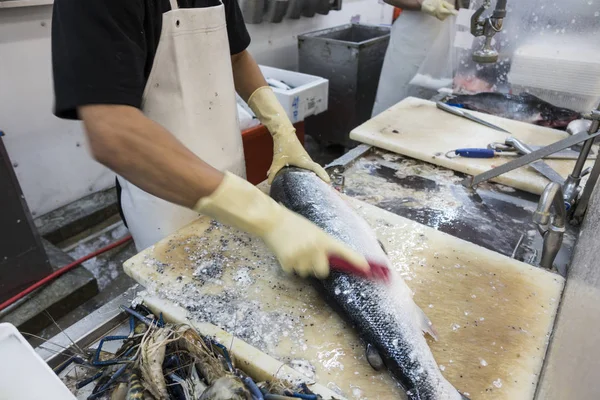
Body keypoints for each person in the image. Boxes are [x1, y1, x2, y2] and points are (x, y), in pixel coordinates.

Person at [51, 0, 371, 279]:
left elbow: (236, 57)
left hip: (231, 177)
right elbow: (112, 132)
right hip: (165, 201)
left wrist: (282, 129)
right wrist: (265, 216)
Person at [372, 0, 457, 117]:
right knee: (396, 105)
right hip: (411, 42)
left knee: (436, 109)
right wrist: (423, 3)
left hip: (448, 38)